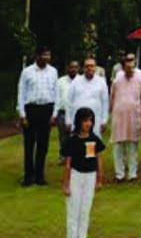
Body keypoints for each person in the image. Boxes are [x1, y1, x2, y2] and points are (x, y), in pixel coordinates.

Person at [62, 106, 104, 238]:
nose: (88, 124)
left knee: (85, 209)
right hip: (76, 176)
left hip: (90, 176)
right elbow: (68, 164)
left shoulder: (94, 140)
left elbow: (97, 159)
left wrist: (99, 178)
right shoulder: (72, 141)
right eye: (85, 120)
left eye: (91, 121)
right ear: (79, 121)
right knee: (74, 209)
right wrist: (66, 184)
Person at [17, 46, 59, 186]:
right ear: (37, 56)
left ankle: (40, 176)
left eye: (49, 55)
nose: (47, 58)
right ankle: (28, 176)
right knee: (29, 144)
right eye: (44, 55)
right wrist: (22, 115)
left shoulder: (53, 72)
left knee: (43, 145)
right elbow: (21, 93)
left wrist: (54, 113)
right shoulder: (27, 72)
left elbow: (56, 93)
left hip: (46, 109)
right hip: (31, 109)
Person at [109, 53, 141, 183]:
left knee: (132, 146)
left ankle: (132, 174)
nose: (130, 68)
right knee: (118, 146)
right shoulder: (117, 79)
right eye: (127, 65)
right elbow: (112, 97)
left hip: (134, 117)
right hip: (119, 117)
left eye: (132, 65)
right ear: (123, 66)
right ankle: (119, 174)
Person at [66, 57, 109, 138]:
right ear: (83, 68)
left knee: (93, 143)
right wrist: (68, 120)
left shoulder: (101, 82)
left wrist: (104, 121)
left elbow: (105, 103)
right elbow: (69, 102)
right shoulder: (76, 81)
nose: (89, 68)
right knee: (77, 143)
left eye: (92, 66)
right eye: (87, 66)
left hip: (95, 120)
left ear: (95, 68)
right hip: (78, 120)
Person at [56, 60, 79, 164]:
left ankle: (76, 156)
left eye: (75, 67)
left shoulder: (81, 81)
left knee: (77, 135)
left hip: (77, 113)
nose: (73, 69)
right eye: (71, 67)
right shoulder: (60, 81)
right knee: (63, 136)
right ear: (67, 68)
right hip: (62, 112)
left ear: (79, 68)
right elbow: (56, 97)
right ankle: (63, 156)